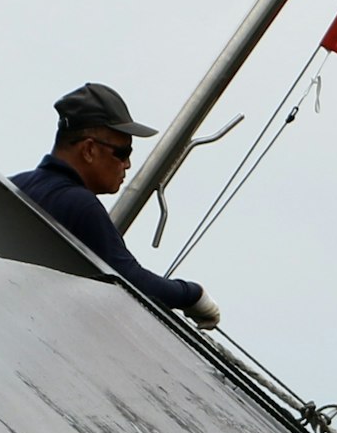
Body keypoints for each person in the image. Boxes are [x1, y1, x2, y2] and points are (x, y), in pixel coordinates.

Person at [11, 83, 223, 326]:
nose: (128, 164)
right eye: (122, 153)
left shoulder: (16, 185)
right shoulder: (80, 204)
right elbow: (131, 281)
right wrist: (193, 295)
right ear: (89, 149)